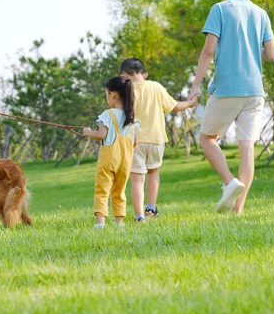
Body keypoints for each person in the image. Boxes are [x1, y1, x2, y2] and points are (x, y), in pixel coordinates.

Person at [188, 0, 274, 214]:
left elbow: (207, 51)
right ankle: (238, 209)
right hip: (254, 90)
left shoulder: (220, 8)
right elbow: (272, 55)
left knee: (207, 139)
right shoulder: (261, 13)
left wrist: (195, 86)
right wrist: (250, 51)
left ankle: (229, 182)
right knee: (247, 147)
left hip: (228, 88)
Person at [121, 58, 197, 221]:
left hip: (134, 140)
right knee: (153, 172)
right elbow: (174, 106)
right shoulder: (156, 87)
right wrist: (190, 103)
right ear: (145, 74)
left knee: (137, 179)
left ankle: (139, 216)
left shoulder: (125, 89)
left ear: (124, 75)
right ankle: (151, 208)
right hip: (156, 139)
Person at [83, 77, 139, 228]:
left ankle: (100, 224)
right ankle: (119, 222)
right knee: (119, 191)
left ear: (112, 95)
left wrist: (88, 132)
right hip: (125, 162)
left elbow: (101, 134)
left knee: (102, 189)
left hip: (109, 159)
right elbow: (135, 142)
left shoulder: (108, 114)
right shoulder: (133, 118)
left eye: (107, 94)